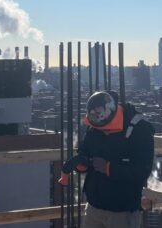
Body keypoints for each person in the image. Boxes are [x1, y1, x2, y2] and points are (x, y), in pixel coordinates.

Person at [65, 91, 155, 228]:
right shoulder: (96, 124)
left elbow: (142, 169)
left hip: (122, 211)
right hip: (95, 206)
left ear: (111, 112)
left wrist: (108, 167)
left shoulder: (139, 129)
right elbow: (86, 151)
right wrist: (81, 164)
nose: (103, 131)